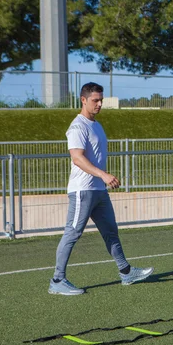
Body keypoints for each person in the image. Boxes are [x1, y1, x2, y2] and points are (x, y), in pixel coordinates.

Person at [49, 82, 154, 295]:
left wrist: (102, 180)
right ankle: (57, 280)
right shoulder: (77, 126)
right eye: (95, 100)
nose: (99, 104)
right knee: (72, 233)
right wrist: (103, 175)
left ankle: (126, 272)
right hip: (83, 190)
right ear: (83, 100)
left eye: (101, 100)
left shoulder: (96, 125)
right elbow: (77, 158)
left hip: (98, 190)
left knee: (110, 232)